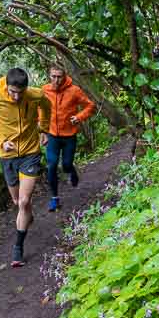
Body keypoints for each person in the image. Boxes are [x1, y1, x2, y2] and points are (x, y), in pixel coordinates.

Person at [0, 67, 51, 266]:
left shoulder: (35, 94)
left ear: (26, 88)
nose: (17, 96)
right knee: (17, 201)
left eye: (20, 92)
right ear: (6, 87)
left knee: (24, 201)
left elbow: (46, 106)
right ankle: (27, 214)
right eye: (12, 92)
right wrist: (1, 140)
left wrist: (43, 128)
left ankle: (18, 248)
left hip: (30, 152)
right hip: (8, 155)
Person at [41, 64, 96, 211]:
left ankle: (71, 171)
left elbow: (90, 106)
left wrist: (78, 117)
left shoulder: (74, 90)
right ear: (49, 75)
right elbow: (40, 110)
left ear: (64, 76)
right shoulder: (44, 90)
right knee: (51, 165)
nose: (56, 80)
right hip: (52, 135)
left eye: (59, 76)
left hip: (69, 135)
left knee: (66, 165)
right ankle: (54, 199)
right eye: (53, 76)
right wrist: (42, 131)